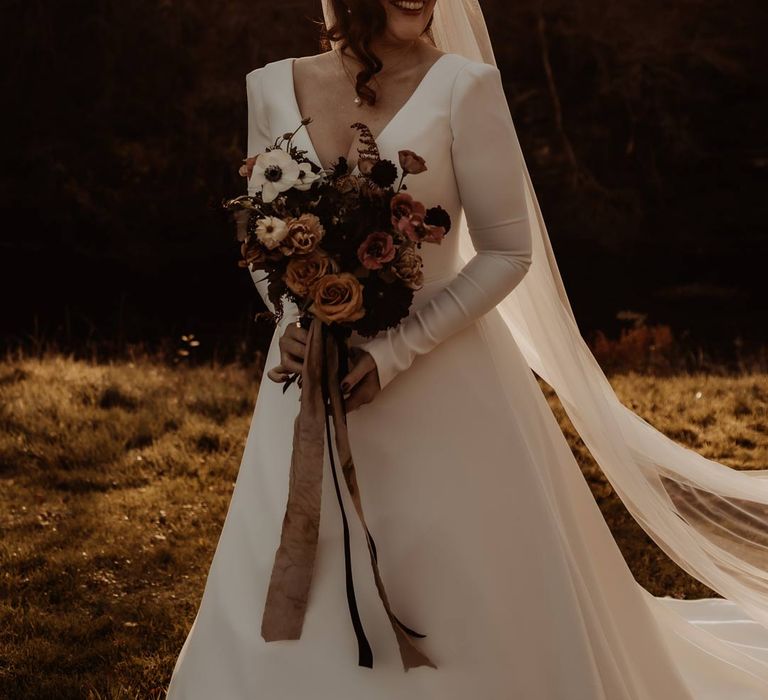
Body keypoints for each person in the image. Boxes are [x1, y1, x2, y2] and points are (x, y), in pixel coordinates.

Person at [167, 1, 768, 697]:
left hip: (443, 385)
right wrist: (295, 319)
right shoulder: (270, 86)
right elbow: (261, 237)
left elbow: (508, 250)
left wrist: (393, 352)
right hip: (309, 386)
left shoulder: (465, 86)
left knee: (459, 588)